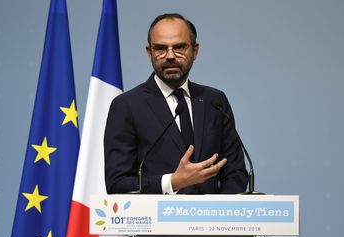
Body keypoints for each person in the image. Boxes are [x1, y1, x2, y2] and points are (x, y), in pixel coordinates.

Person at [104, 13, 248, 194]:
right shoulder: (127, 105)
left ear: (195, 51)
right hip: (156, 220)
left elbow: (235, 172)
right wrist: (172, 182)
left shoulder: (215, 101)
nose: (170, 56)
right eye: (161, 49)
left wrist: (218, 212)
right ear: (150, 53)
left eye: (179, 47)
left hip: (211, 220)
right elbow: (117, 182)